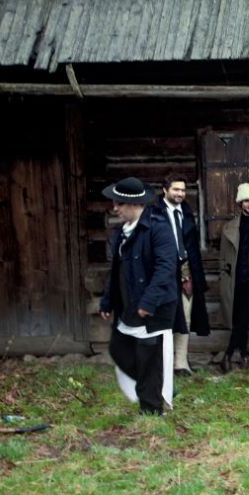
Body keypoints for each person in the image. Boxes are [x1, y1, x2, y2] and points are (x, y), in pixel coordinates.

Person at [99, 177, 177, 416]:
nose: (115, 208)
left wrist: (149, 301)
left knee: (148, 357)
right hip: (128, 306)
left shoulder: (158, 228)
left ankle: (151, 410)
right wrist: (107, 301)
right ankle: (156, 385)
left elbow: (166, 268)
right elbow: (116, 272)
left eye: (119, 203)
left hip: (153, 307)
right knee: (118, 349)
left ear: (134, 204)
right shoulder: (121, 232)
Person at [154, 173, 210, 376]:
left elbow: (192, 246)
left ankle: (180, 363)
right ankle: (163, 363)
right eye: (176, 189)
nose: (180, 193)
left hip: (186, 272)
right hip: (164, 273)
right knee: (165, 318)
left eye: (183, 190)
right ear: (165, 190)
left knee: (185, 317)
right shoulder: (154, 214)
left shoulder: (186, 212)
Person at [218, 182, 249, 373]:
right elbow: (223, 257)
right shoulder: (229, 227)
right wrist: (224, 275)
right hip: (235, 279)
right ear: (240, 202)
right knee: (238, 319)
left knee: (244, 318)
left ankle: (230, 355)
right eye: (246, 200)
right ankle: (242, 355)